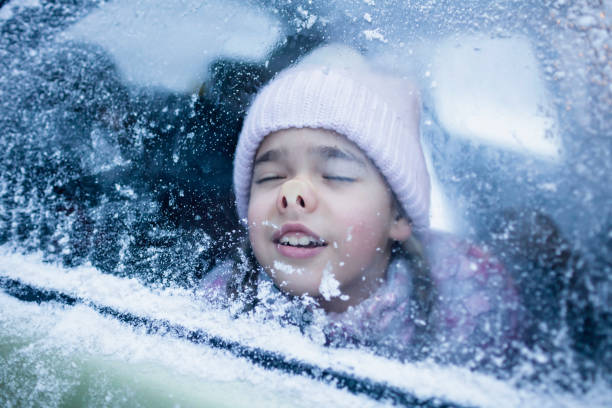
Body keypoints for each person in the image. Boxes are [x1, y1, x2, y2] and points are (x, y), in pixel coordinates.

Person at [200, 44, 521, 368]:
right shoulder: (221, 302)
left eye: (336, 175)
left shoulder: (468, 292)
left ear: (399, 214)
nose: (292, 193)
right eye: (271, 176)